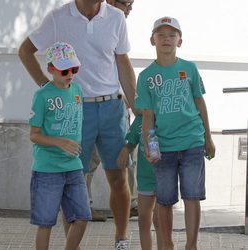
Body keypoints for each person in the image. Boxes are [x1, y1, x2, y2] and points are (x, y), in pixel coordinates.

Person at [18, 1, 138, 249]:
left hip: (112, 108)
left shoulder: (116, 17)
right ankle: (74, 246)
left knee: (119, 176)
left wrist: (139, 108)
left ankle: (121, 239)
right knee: (74, 179)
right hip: (74, 110)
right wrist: (46, 87)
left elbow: (123, 61)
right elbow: (25, 51)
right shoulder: (58, 17)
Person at [135, 17, 216, 250]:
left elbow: (200, 103)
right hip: (164, 147)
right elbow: (148, 116)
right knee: (165, 200)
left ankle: (191, 244)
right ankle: (166, 244)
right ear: (152, 40)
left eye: (172, 35)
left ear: (180, 41)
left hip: (192, 142)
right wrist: (150, 145)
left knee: (192, 196)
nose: (166, 39)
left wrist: (208, 137)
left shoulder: (189, 68)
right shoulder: (146, 76)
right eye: (161, 35)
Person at [28, 42, 91, 250]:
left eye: (74, 69)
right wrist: (58, 142)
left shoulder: (78, 90)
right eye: (64, 70)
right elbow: (34, 135)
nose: (70, 74)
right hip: (47, 170)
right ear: (50, 69)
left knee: (82, 217)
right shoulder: (42, 96)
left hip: (73, 167)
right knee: (45, 223)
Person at [86, 0, 138, 222]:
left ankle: (130, 209)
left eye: (132, 4)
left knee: (123, 160)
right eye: (126, 3)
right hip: (92, 108)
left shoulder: (117, 24)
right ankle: (85, 206)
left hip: (116, 107)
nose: (129, 9)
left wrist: (131, 100)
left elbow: (121, 66)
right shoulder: (92, 23)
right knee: (89, 162)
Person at [117, 115, 162, 250]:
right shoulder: (140, 120)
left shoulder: (166, 116)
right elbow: (131, 142)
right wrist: (125, 150)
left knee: (160, 220)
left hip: (165, 176)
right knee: (143, 220)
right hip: (145, 177)